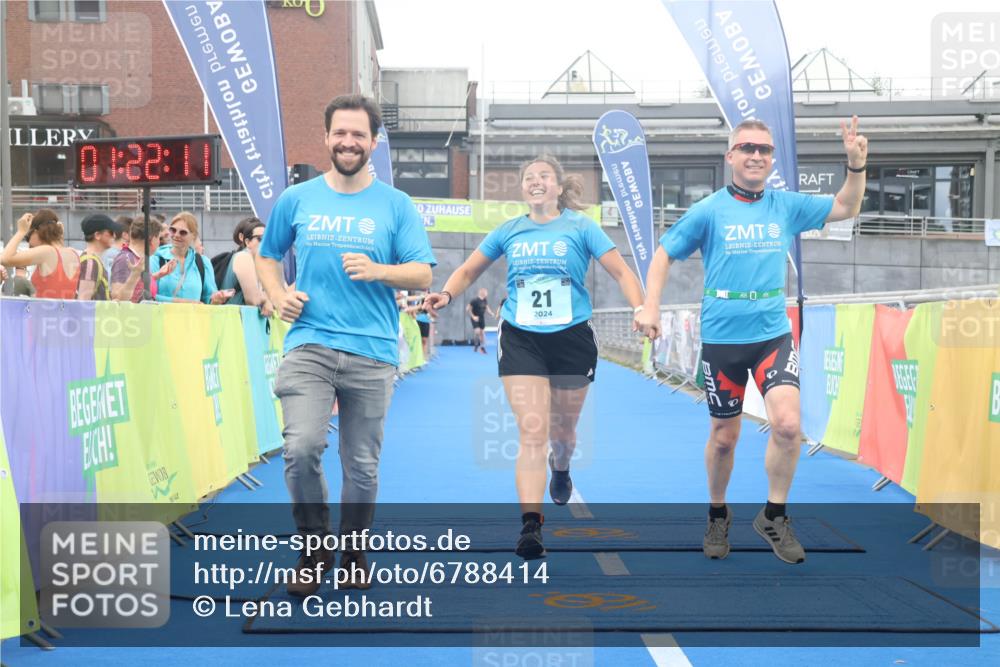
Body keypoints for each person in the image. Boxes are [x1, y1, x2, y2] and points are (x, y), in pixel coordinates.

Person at [636, 117, 868, 564]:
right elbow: (664, 252)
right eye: (746, 148)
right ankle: (718, 513)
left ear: (772, 158)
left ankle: (774, 516)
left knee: (787, 425)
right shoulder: (709, 210)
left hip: (771, 334)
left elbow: (846, 206)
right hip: (723, 337)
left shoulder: (786, 205)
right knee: (725, 437)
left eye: (764, 149)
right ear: (731, 157)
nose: (756, 155)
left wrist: (855, 167)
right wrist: (651, 305)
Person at [256, 94, 435, 595]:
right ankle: (314, 548)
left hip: (373, 349)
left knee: (361, 465)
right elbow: (269, 257)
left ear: (373, 143)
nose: (349, 142)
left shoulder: (395, 205)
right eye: (341, 133)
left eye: (359, 135)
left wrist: (379, 271)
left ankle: (354, 548)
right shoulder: (298, 199)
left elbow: (422, 271)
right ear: (326, 137)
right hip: (310, 343)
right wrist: (277, 294)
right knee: (302, 447)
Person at [424, 154, 644, 559]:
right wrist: (447, 292)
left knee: (562, 434)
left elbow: (622, 273)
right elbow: (470, 270)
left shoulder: (581, 227)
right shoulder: (510, 230)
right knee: (531, 429)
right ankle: (531, 525)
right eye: (529, 177)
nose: (536, 181)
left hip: (572, 338)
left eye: (545, 176)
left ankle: (560, 468)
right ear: (523, 188)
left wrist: (640, 307)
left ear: (559, 188)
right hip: (522, 337)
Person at [150, 211, 230, 304]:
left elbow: (209, 298)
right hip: (161, 317)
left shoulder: (203, 263)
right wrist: (184, 303)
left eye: (183, 232)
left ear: (194, 236)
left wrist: (216, 300)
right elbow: (148, 296)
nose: (176, 235)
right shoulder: (155, 259)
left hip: (194, 318)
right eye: (173, 230)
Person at [0, 209, 80, 299]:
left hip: (42, 312)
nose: (28, 242)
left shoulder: (47, 252)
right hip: (64, 312)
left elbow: (5, 259)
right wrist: (58, 235)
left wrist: (21, 231)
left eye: (27, 236)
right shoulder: (73, 253)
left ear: (36, 231)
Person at [110, 217, 175, 303]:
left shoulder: (137, 259)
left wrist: (158, 275)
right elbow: (117, 298)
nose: (159, 242)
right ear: (151, 239)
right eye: (158, 238)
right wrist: (135, 274)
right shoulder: (125, 259)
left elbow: (137, 287)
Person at [218, 217, 274, 315]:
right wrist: (267, 299)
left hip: (241, 324)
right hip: (234, 324)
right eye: (260, 239)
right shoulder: (243, 257)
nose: (265, 243)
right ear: (247, 242)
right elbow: (253, 300)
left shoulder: (259, 263)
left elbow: (283, 294)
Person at [76, 213, 123, 301]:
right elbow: (83, 302)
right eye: (111, 232)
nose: (115, 236)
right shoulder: (90, 262)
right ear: (97, 235)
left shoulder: (92, 260)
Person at [466, 287, 495, 353]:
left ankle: (482, 347)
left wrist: (491, 313)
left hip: (482, 318)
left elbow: (487, 308)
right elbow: (468, 309)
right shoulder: (474, 300)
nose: (487, 293)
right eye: (486, 292)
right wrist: (473, 316)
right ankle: (476, 344)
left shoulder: (485, 300)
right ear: (482, 292)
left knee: (482, 332)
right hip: (475, 318)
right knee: (477, 332)